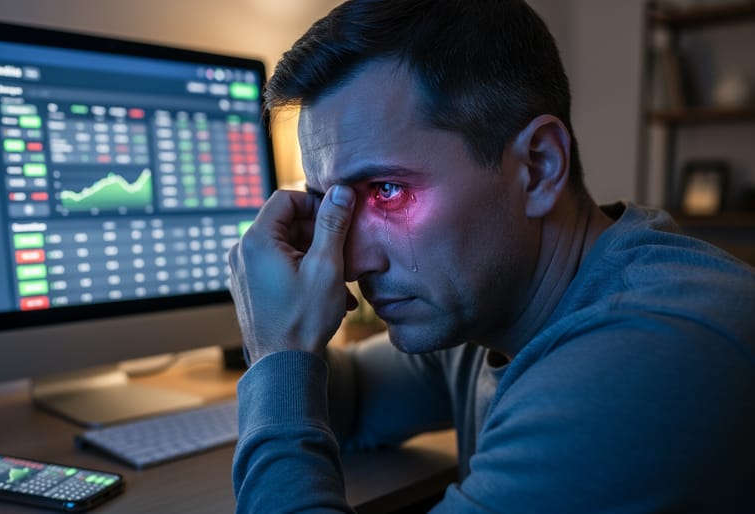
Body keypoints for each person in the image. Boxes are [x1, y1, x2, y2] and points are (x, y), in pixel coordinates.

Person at [227, 0, 755, 512]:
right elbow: (356, 399)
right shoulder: (495, 305)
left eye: (387, 191)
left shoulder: (640, 364)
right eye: (328, 204)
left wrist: (279, 352)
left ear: (539, 166)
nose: (350, 261)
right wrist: (284, 335)